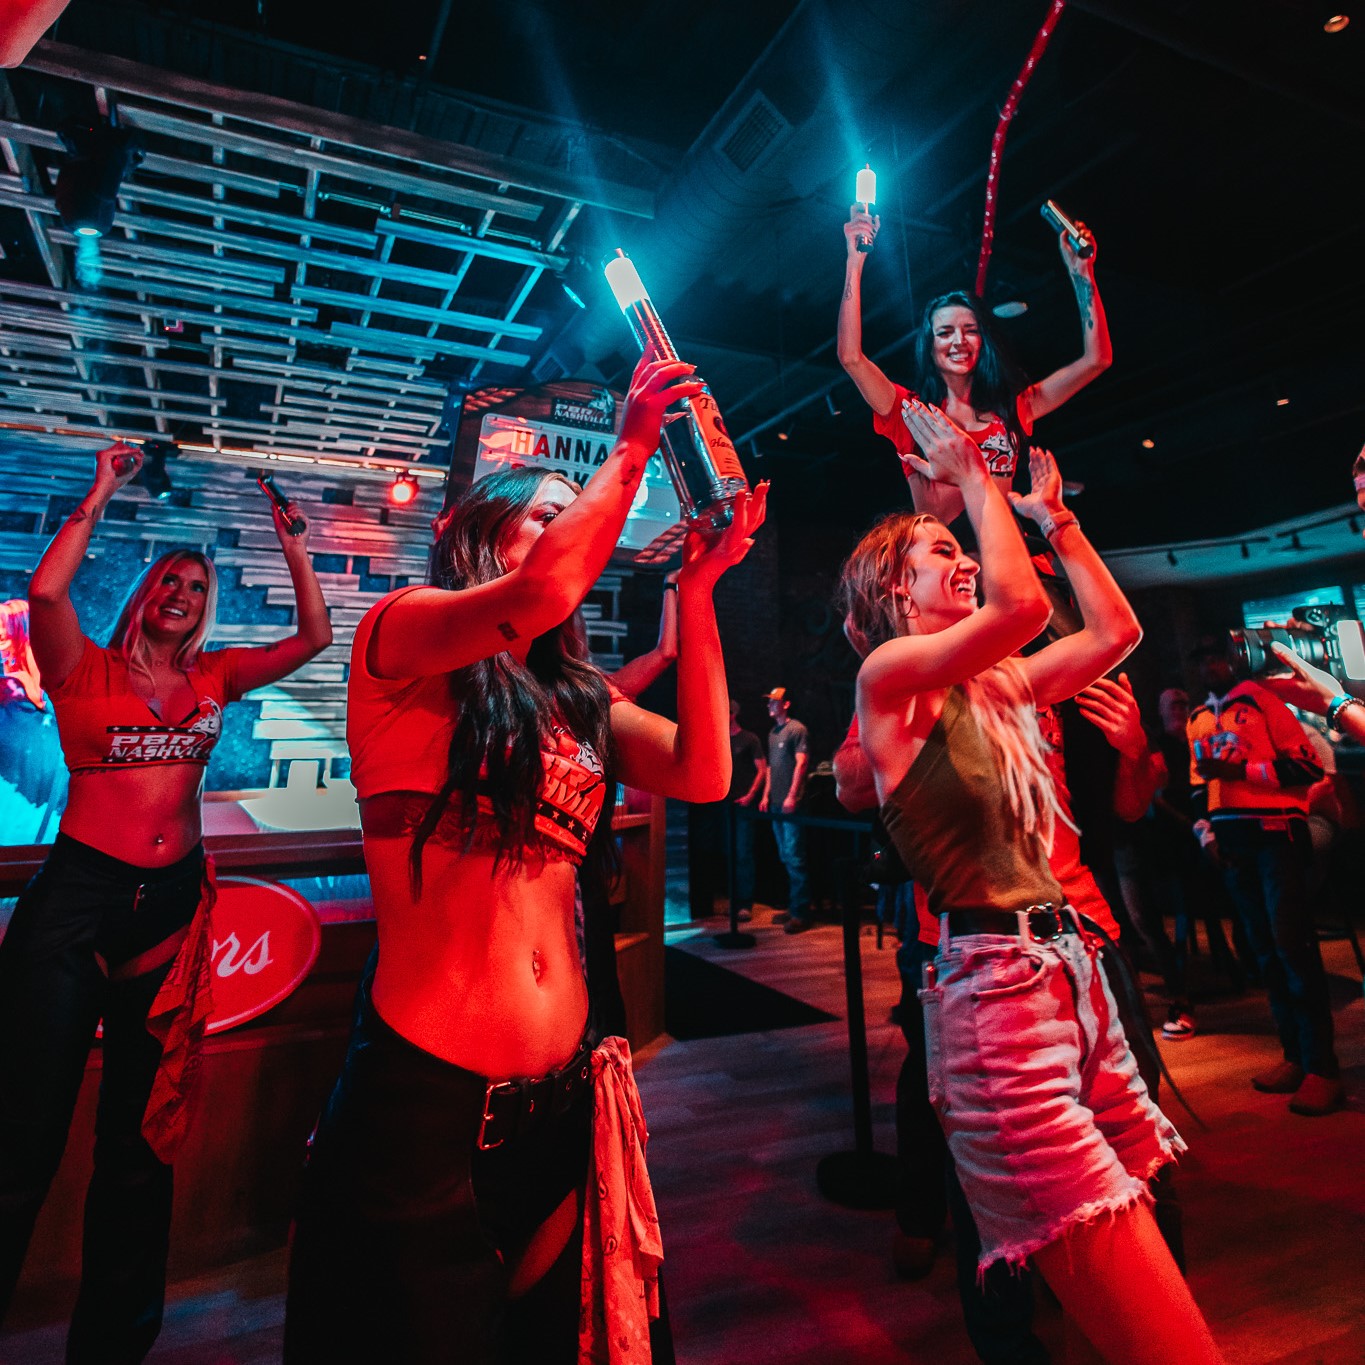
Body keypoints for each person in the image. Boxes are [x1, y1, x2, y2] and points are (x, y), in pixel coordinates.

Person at [282, 354, 766, 1364]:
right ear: (471, 537)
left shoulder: (579, 698)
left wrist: (704, 591)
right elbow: (549, 585)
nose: (568, 528)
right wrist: (632, 445)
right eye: (544, 510)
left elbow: (707, 771)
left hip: (561, 1105)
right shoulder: (401, 640)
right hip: (428, 1107)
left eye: (569, 508)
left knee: (553, 1344)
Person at [840, 401, 1222, 1365]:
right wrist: (971, 480)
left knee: (1140, 1225)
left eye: (959, 545)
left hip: (1072, 973)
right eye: (938, 551)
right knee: (1134, 1298)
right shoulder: (889, 676)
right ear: (891, 588)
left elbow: (1116, 630)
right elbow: (1018, 609)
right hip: (996, 994)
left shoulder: (997, 684)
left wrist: (1058, 520)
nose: (962, 556)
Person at [0, 440, 332, 1363]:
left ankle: (113, 1347)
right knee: (21, 1137)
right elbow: (48, 594)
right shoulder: (80, 668)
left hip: (170, 910)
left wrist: (297, 546)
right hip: (75, 903)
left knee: (139, 1149)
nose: (181, 592)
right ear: (145, 594)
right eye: (168, 580)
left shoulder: (216, 675)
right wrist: (101, 490)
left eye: (196, 584)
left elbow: (312, 641)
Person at [837, 202, 1111, 528]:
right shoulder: (910, 412)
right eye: (945, 332)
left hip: (1009, 553)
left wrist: (1083, 275)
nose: (959, 341)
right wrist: (854, 262)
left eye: (970, 330)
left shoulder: (1012, 407)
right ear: (930, 345)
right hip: (950, 561)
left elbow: (1097, 360)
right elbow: (851, 357)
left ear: (983, 341)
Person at [1187, 643, 1342, 1116]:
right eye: (1203, 658)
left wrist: (1240, 769)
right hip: (1232, 842)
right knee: (1264, 952)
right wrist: (1206, 835)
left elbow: (1307, 767)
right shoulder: (1198, 717)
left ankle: (1323, 1068)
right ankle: (1294, 1056)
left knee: (1292, 947)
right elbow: (1198, 787)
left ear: (1235, 662)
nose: (1211, 665)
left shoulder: (1263, 702)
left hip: (1277, 834)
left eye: (1219, 657)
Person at [759, 685, 812, 933]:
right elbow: (770, 767)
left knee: (794, 856)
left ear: (786, 704)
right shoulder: (773, 732)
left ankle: (801, 912)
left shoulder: (797, 729)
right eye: (769, 701)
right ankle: (794, 907)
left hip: (791, 803)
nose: (770, 705)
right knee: (785, 855)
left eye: (774, 701)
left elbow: (802, 764)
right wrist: (766, 795)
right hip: (776, 802)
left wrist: (792, 796)